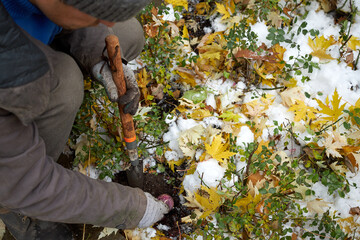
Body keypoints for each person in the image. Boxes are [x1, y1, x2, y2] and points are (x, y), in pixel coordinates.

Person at [0, 0, 170, 239]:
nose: (109, 22)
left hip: (28, 37)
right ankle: (11, 206)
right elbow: (27, 183)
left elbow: (81, 18)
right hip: (10, 78)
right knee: (65, 85)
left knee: (127, 33)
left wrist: (101, 60)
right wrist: (132, 209)